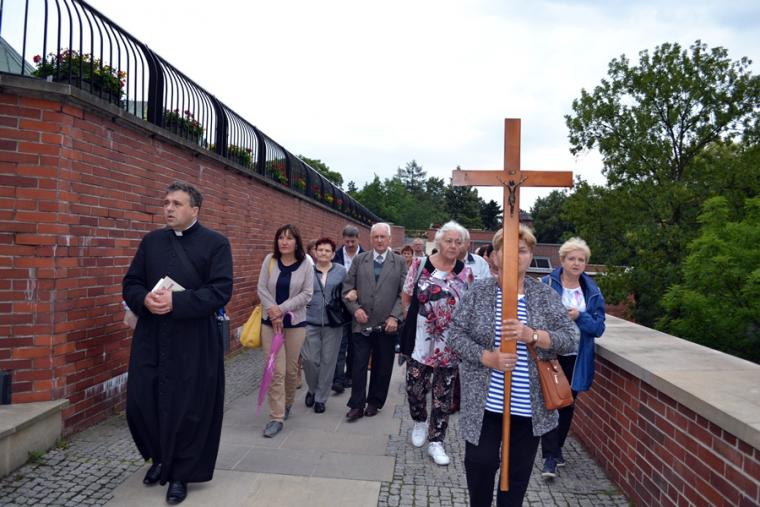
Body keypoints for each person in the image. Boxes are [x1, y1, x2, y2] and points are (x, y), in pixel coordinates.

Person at [449, 225, 577, 507]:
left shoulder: (543, 295)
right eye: (507, 250)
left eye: (522, 250)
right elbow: (455, 334)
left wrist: (533, 335)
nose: (515, 256)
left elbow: (570, 338)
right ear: (495, 256)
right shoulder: (479, 291)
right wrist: (487, 357)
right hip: (485, 404)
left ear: (531, 256)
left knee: (515, 478)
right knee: (480, 464)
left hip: (528, 407)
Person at [123, 181, 233, 505]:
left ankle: (181, 473)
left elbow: (220, 290)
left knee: (188, 407)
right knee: (142, 400)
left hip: (193, 339)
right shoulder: (151, 241)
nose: (169, 208)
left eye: (177, 204)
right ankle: (160, 457)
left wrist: (177, 302)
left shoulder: (216, 243)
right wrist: (144, 298)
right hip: (152, 335)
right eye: (167, 202)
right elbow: (131, 282)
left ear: (194, 210)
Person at [401, 221, 472, 466]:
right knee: (414, 389)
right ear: (439, 242)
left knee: (443, 395)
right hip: (420, 340)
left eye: (458, 242)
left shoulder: (465, 272)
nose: (453, 246)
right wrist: (410, 318)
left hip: (449, 344)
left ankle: (436, 441)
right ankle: (419, 420)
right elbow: (406, 295)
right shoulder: (420, 265)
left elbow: (469, 306)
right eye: (448, 241)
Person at [539, 237, 606, 478]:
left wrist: (579, 316)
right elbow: (534, 318)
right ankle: (550, 457)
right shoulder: (546, 284)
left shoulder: (592, 291)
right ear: (562, 260)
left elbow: (598, 328)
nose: (576, 263)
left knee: (567, 403)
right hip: (551, 353)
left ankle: (556, 449)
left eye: (581, 260)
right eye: (572, 259)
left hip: (577, 356)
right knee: (550, 402)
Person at [343, 222, 407, 421]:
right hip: (361, 323)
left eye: (382, 237)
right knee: (359, 364)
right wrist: (355, 309)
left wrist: (394, 316)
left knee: (382, 365)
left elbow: (404, 294)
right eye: (376, 237)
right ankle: (356, 405)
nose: (379, 240)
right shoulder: (359, 260)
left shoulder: (399, 262)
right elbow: (347, 289)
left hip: (386, 325)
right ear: (370, 239)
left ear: (389, 239)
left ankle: (374, 402)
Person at [257, 224, 314, 438]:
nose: (284, 241)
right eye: (281, 237)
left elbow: (307, 294)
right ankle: (276, 417)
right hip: (270, 324)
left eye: (289, 238)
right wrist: (273, 313)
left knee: (290, 371)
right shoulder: (270, 260)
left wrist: (281, 309)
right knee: (275, 371)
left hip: (295, 324)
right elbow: (261, 288)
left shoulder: (306, 263)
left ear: (297, 242)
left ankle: (288, 402)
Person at [301, 237, 347, 414]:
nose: (323, 253)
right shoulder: (307, 270)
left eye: (327, 250)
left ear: (333, 254)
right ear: (315, 252)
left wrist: (350, 295)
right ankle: (312, 389)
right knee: (309, 360)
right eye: (320, 250)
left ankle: (320, 398)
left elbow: (348, 289)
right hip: (309, 322)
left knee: (328, 361)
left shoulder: (341, 271)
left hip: (333, 324)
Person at [332, 225, 365, 394]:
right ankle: (338, 379)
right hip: (339, 306)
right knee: (340, 343)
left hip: (359, 306)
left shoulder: (366, 256)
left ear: (358, 239)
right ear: (343, 239)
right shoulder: (335, 256)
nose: (350, 244)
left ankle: (351, 375)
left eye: (353, 241)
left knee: (355, 344)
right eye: (347, 242)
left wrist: (357, 292)